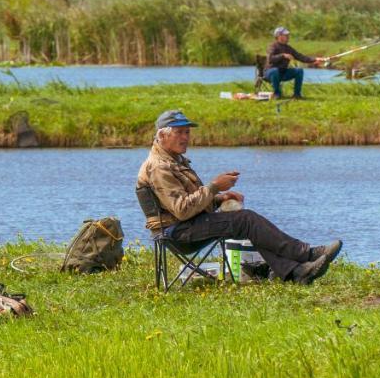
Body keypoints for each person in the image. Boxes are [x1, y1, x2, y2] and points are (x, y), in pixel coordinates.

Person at [137, 109, 343, 284]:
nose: (185, 137)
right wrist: (214, 187)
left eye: (187, 132)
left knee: (247, 223)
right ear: (162, 136)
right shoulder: (159, 167)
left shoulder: (173, 160)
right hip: (177, 233)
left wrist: (219, 199)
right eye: (179, 132)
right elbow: (181, 210)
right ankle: (307, 254)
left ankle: (297, 272)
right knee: (246, 220)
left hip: (186, 226)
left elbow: (187, 204)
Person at [264, 27, 325, 99]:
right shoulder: (272, 46)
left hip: (283, 73)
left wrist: (314, 59)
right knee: (275, 71)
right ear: (279, 36)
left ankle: (297, 95)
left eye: (288, 35)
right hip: (270, 73)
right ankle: (277, 94)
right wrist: (283, 55)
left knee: (299, 71)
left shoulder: (288, 48)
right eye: (286, 35)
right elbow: (270, 59)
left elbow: (300, 56)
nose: (288, 37)